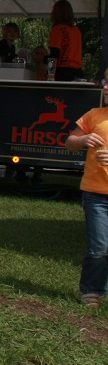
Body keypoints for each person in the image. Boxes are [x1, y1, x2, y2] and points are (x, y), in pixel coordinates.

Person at [65, 71, 108, 308]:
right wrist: (83, 140)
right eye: (105, 82)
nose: (106, 87)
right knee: (99, 246)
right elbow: (69, 142)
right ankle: (92, 291)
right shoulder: (94, 116)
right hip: (96, 195)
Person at [48, 0, 83, 81]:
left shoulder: (57, 29)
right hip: (78, 72)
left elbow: (54, 54)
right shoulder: (76, 30)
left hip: (63, 71)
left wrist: (50, 75)